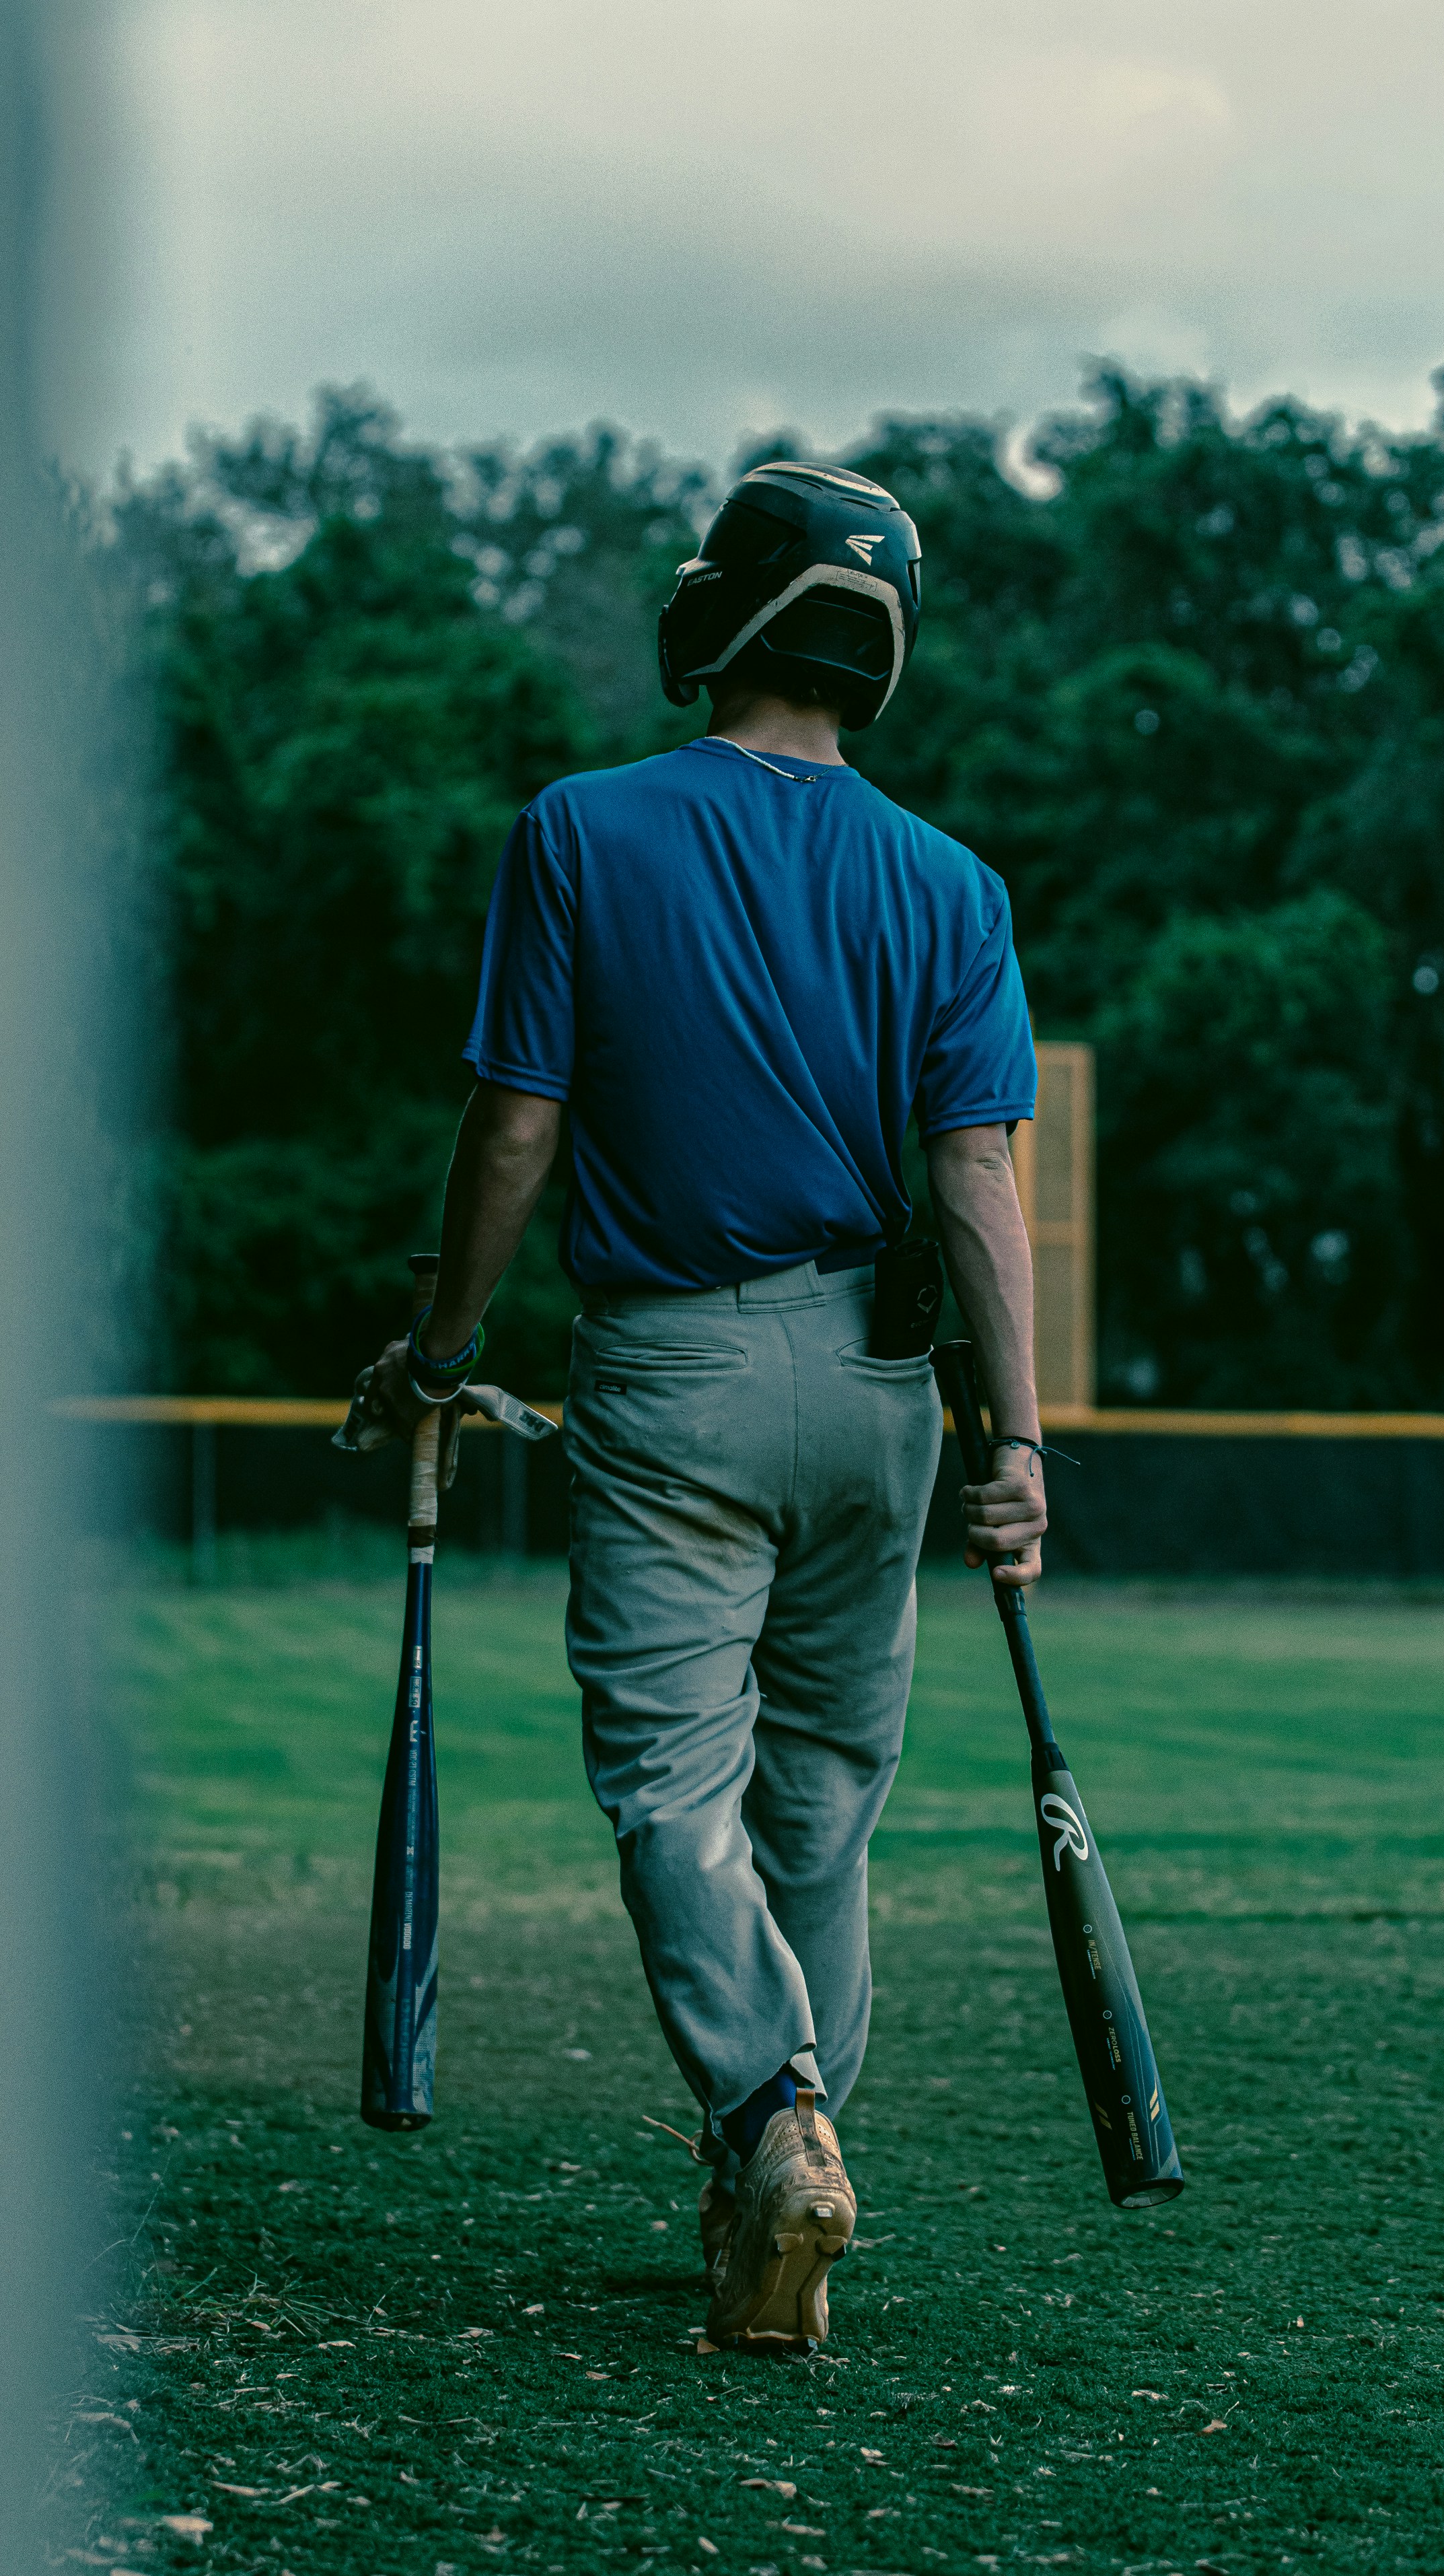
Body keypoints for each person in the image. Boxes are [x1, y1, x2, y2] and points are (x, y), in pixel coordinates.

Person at [363, 460, 1048, 2349]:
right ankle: (780, 2147)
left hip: (672, 1367)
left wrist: (443, 1350)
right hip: (883, 1389)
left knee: (675, 1784)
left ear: (722, 612)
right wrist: (1022, 1445)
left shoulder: (582, 830)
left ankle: (765, 2121)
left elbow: (514, 1128)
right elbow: (978, 1185)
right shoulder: (950, 882)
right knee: (821, 1801)